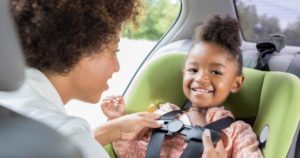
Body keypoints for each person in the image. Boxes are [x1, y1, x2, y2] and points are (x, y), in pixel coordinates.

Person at [0, 0, 163, 158]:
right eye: (115, 51)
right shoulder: (66, 136)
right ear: (79, 48)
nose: (117, 67)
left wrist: (112, 130)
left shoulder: (13, 107)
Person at [101, 15, 264, 158]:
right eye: (193, 70)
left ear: (235, 83)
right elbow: (129, 153)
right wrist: (117, 119)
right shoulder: (163, 113)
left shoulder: (238, 132)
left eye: (215, 72)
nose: (201, 78)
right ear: (183, 73)